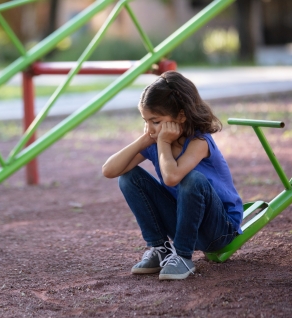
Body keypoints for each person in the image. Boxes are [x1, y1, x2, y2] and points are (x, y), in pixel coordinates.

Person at [102, 71, 243, 280]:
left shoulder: (199, 142)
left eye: (155, 121)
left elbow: (171, 177)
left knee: (192, 180)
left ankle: (184, 256)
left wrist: (164, 143)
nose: (150, 128)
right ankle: (160, 249)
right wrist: (144, 140)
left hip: (219, 230)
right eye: (145, 121)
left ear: (181, 116)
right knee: (128, 177)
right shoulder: (154, 142)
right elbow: (109, 171)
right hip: (184, 223)